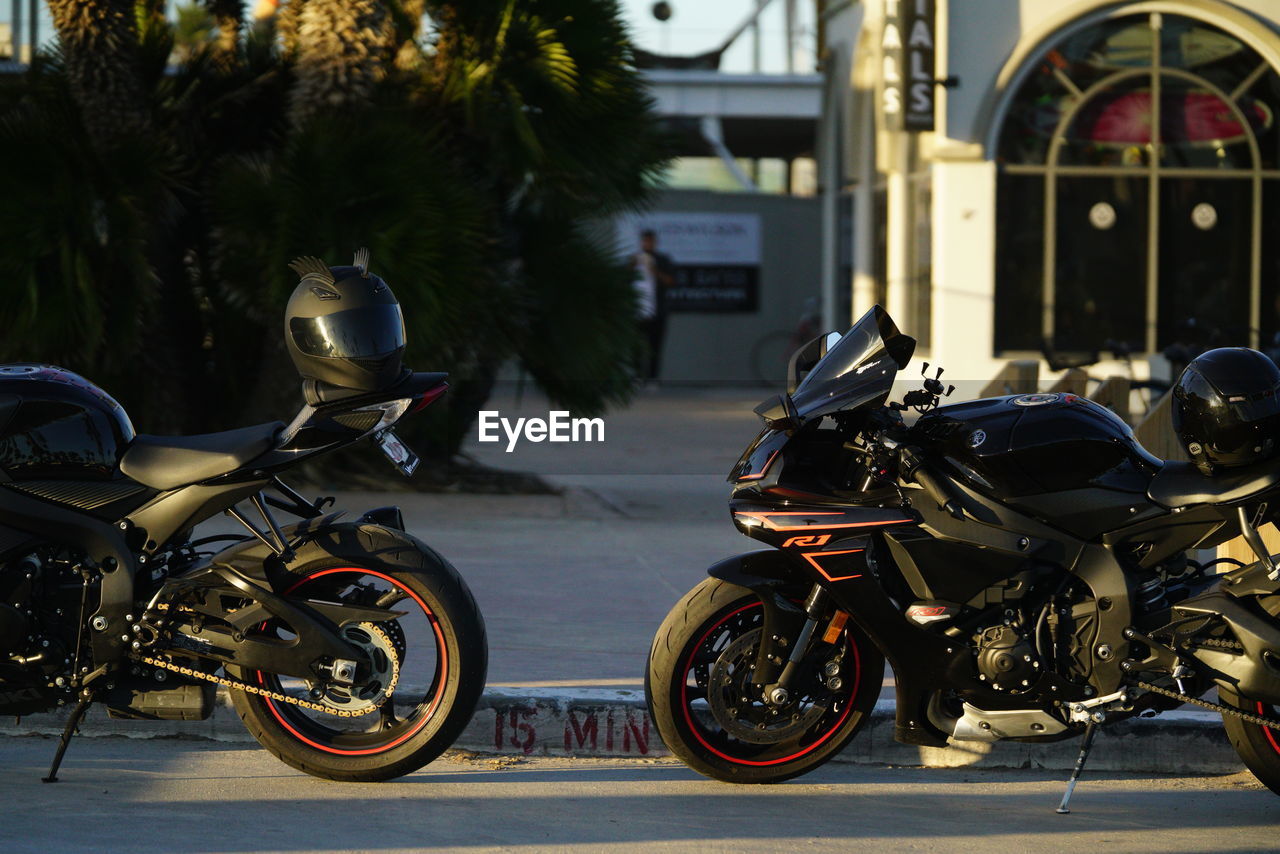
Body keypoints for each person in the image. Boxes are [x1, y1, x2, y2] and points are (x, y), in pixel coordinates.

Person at [632, 228, 676, 382]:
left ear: (655, 243)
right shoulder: (634, 259)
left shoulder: (662, 260)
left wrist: (654, 270)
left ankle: (652, 379)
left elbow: (671, 282)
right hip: (637, 311)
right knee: (636, 346)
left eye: (650, 241)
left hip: (657, 311)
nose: (648, 244)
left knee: (655, 346)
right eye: (645, 241)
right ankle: (636, 377)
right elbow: (622, 279)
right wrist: (633, 265)